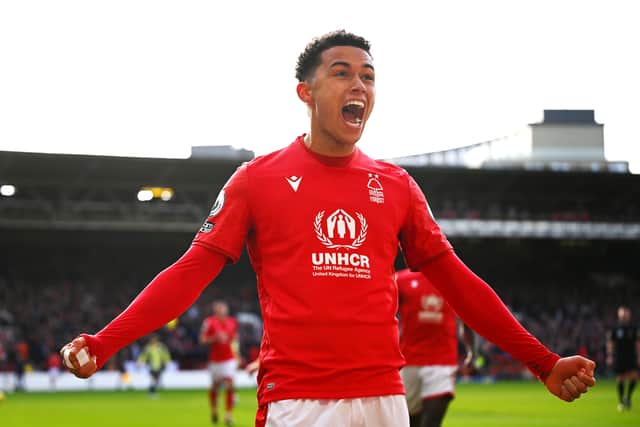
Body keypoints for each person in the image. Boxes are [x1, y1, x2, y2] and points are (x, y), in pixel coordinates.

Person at [60, 30, 596, 427]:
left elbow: (459, 284)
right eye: (341, 72)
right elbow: (189, 273)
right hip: (299, 402)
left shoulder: (397, 185)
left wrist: (542, 361)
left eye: (368, 76)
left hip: (386, 402)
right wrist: (106, 342)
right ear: (306, 92)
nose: (358, 83)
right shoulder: (256, 180)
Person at [396, 268, 475, 427]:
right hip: (409, 360)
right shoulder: (400, 280)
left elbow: (468, 319)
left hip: (442, 361)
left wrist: (471, 354)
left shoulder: (454, 281)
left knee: (432, 421)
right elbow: (387, 312)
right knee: (410, 421)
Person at [200, 300, 238, 425]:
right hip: (215, 360)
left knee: (229, 384)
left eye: (223, 310)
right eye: (219, 310)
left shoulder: (232, 322)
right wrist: (214, 338)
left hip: (229, 359)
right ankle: (214, 410)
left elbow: (234, 340)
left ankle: (228, 415)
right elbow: (202, 340)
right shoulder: (209, 322)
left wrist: (237, 355)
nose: (222, 312)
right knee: (215, 386)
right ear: (215, 311)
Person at [606, 306, 639, 411]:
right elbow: (610, 343)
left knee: (634, 377)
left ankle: (628, 397)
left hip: (631, 356)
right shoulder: (615, 328)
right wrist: (610, 355)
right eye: (622, 312)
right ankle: (621, 402)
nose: (624, 314)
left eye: (626, 312)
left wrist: (639, 356)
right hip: (619, 356)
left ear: (629, 315)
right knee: (620, 378)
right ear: (619, 314)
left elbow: (637, 343)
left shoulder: (634, 328)